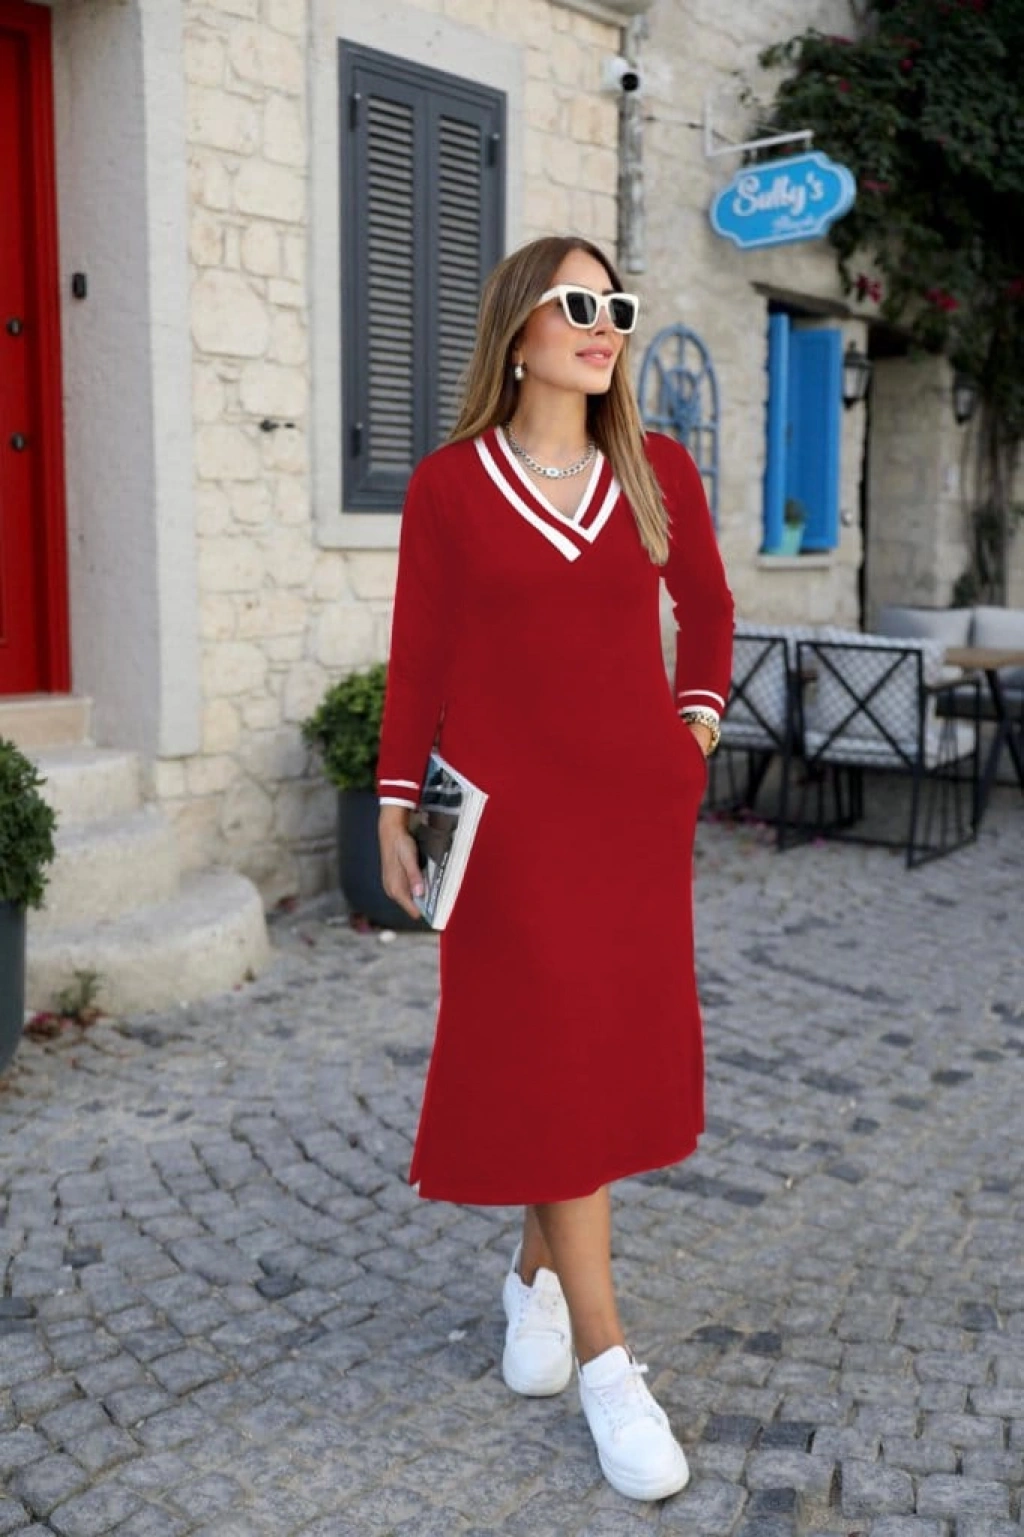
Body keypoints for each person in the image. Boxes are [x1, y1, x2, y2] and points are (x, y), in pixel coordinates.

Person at [376, 235, 734, 1502]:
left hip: (630, 821)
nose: (603, 325)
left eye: (616, 307)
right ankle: (608, 1364)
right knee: (551, 1056)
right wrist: (393, 800)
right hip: (506, 830)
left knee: (590, 1057)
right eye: (578, 303)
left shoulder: (655, 469)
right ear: (518, 329)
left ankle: (534, 1279)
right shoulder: (448, 486)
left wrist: (692, 733)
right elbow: (418, 653)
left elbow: (709, 609)